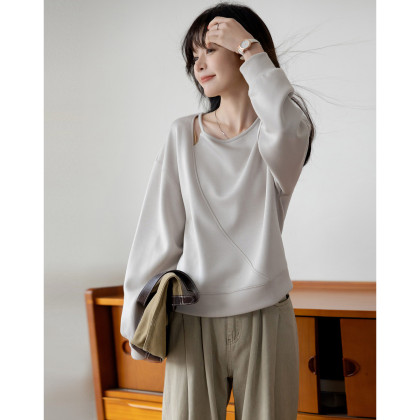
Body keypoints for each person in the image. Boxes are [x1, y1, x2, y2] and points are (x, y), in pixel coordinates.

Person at [120, 2, 315, 419]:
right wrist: (135, 318)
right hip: (191, 316)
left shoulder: (281, 135)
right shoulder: (183, 134)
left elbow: (285, 121)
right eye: (193, 56)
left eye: (210, 49)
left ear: (244, 52)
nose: (199, 64)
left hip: (266, 315)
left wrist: (250, 47)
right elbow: (158, 232)